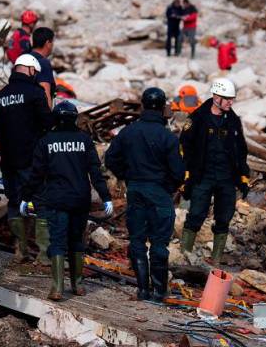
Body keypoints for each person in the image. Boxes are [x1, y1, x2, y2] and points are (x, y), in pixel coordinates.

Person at [22, 101, 112, 300]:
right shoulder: (85, 140)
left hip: (56, 200)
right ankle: (78, 285)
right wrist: (106, 197)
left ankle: (57, 289)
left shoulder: (45, 141)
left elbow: (36, 175)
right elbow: (95, 172)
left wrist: (25, 198)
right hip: (80, 199)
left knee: (57, 242)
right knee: (76, 241)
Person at [105, 88, 184, 302]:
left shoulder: (129, 132)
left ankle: (142, 289)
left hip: (136, 190)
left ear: (143, 106)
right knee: (159, 243)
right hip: (159, 192)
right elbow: (178, 172)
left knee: (138, 239)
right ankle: (158, 292)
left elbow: (110, 158)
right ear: (162, 108)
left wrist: (127, 177)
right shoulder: (168, 137)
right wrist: (167, 187)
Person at [179, 78, 249, 265]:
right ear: (216, 97)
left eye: (232, 99)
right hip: (203, 176)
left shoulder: (233, 121)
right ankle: (184, 255)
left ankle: (216, 259)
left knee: (223, 218)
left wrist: (243, 176)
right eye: (227, 99)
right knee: (195, 215)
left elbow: (241, 149)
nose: (230, 102)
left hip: (226, 178)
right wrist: (185, 175)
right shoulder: (197, 118)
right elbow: (184, 147)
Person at [0, 54, 53, 264]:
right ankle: (44, 254)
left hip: (8, 162)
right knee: (42, 203)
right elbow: (48, 123)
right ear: (29, 69)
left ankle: (21, 251)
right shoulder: (35, 93)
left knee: (15, 204)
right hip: (32, 161)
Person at [30, 27, 56, 108]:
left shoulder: (23, 59)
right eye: (52, 42)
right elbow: (45, 93)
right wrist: (47, 118)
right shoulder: (43, 63)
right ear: (48, 43)